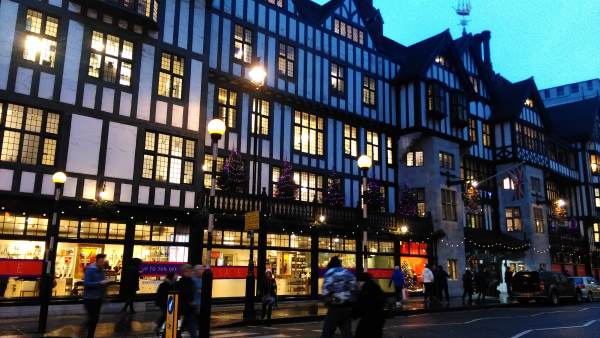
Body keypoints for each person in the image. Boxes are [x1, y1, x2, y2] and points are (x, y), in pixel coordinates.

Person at [321, 256, 356, 338]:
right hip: (347, 307)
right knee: (347, 333)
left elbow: (325, 290)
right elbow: (354, 288)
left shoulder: (329, 273)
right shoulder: (347, 272)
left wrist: (327, 301)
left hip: (335, 307)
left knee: (327, 332)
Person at [83, 253, 110, 338]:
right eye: (101, 262)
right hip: (89, 298)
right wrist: (99, 283)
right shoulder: (90, 269)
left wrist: (104, 296)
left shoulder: (101, 270)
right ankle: (90, 335)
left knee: (95, 318)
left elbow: (103, 284)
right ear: (97, 261)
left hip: (98, 298)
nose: (102, 264)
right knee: (94, 319)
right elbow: (86, 283)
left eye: (103, 262)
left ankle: (88, 330)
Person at [354, 273, 386, 338]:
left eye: (359, 282)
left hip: (369, 318)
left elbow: (361, 303)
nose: (358, 284)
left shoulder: (365, 289)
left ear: (362, 281)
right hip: (379, 317)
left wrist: (354, 314)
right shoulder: (376, 286)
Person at [177, 264, 198, 338]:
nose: (191, 272)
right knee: (191, 328)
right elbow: (183, 295)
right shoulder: (181, 283)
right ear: (184, 272)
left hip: (190, 309)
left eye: (191, 271)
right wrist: (190, 302)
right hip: (185, 308)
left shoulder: (191, 281)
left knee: (185, 325)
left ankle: (177, 334)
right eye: (188, 271)